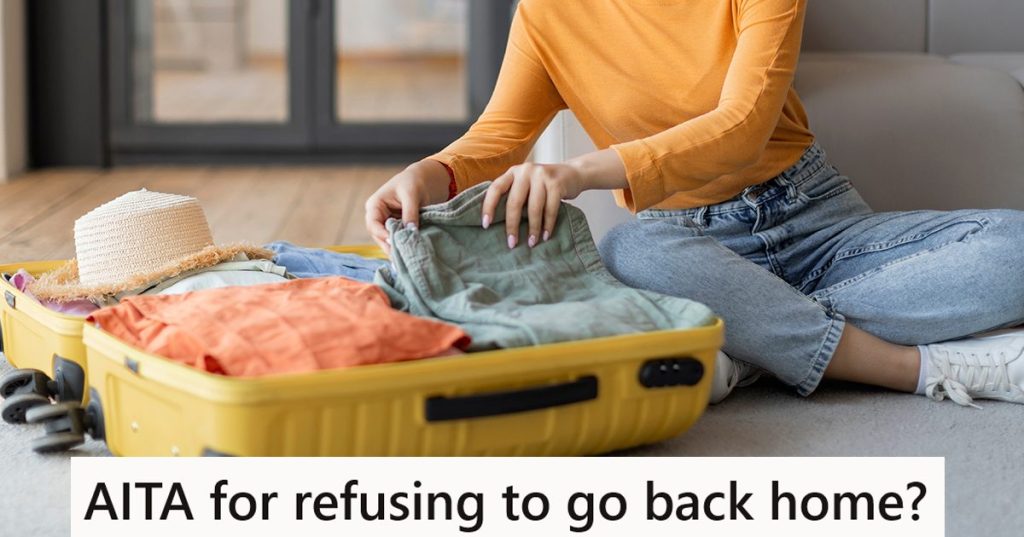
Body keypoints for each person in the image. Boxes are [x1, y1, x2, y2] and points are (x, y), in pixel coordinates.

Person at [364, 0, 1024, 408]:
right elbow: (499, 138)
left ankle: (743, 335)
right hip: (684, 242)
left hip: (815, 221)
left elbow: (743, 126)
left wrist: (581, 171)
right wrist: (429, 172)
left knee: (1016, 248)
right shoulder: (549, 11)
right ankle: (910, 368)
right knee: (628, 247)